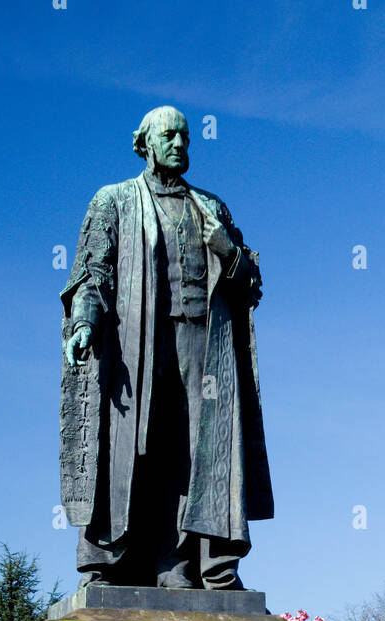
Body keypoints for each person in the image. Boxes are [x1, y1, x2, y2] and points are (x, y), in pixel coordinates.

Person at [60, 105, 273, 590]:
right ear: (145, 144)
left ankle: (180, 566)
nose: (180, 144)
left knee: (199, 454)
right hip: (137, 346)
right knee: (133, 447)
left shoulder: (212, 207)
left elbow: (250, 285)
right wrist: (84, 324)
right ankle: (112, 564)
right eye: (169, 136)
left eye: (186, 137)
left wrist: (227, 251)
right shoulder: (113, 201)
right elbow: (92, 275)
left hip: (205, 344)